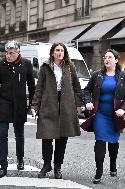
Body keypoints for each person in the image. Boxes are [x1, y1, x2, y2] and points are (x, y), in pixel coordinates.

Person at [31, 42, 83, 179]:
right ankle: (46, 164)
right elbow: (39, 88)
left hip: (66, 105)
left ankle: (57, 167)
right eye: (57, 50)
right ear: (52, 52)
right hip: (48, 105)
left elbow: (77, 86)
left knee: (62, 138)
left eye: (62, 50)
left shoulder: (70, 67)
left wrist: (78, 105)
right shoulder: (45, 67)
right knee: (46, 136)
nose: (60, 53)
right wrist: (34, 106)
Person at [83, 49, 125, 184]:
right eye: (105, 57)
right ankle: (98, 171)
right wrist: (88, 102)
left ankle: (113, 164)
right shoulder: (97, 75)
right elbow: (86, 90)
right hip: (100, 114)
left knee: (113, 142)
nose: (107, 59)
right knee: (100, 140)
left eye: (110, 57)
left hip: (115, 115)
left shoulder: (123, 76)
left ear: (116, 60)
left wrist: (123, 109)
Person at [0, 40, 35, 178]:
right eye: (6, 53)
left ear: (18, 52)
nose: (8, 56)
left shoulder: (26, 64)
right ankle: (3, 166)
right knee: (2, 135)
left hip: (20, 104)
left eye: (11, 53)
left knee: (19, 135)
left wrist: (32, 105)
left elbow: (32, 86)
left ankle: (20, 159)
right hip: (4, 103)